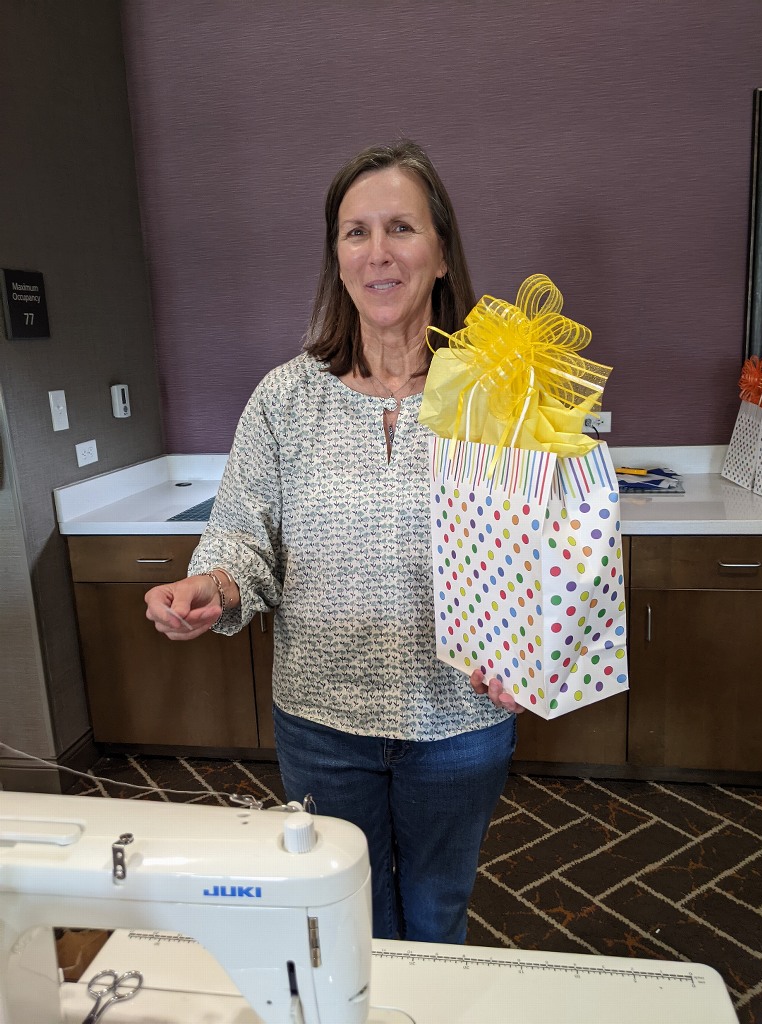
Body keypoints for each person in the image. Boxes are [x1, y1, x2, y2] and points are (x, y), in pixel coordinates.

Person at [144, 139, 524, 944]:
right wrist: (213, 585)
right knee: (349, 920)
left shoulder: (500, 398)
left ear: (443, 254)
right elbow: (242, 535)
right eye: (356, 232)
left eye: (401, 228)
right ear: (338, 258)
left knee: (437, 910)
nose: (377, 252)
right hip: (320, 725)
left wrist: (532, 651)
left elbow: (542, 551)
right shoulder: (284, 399)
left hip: (458, 722)